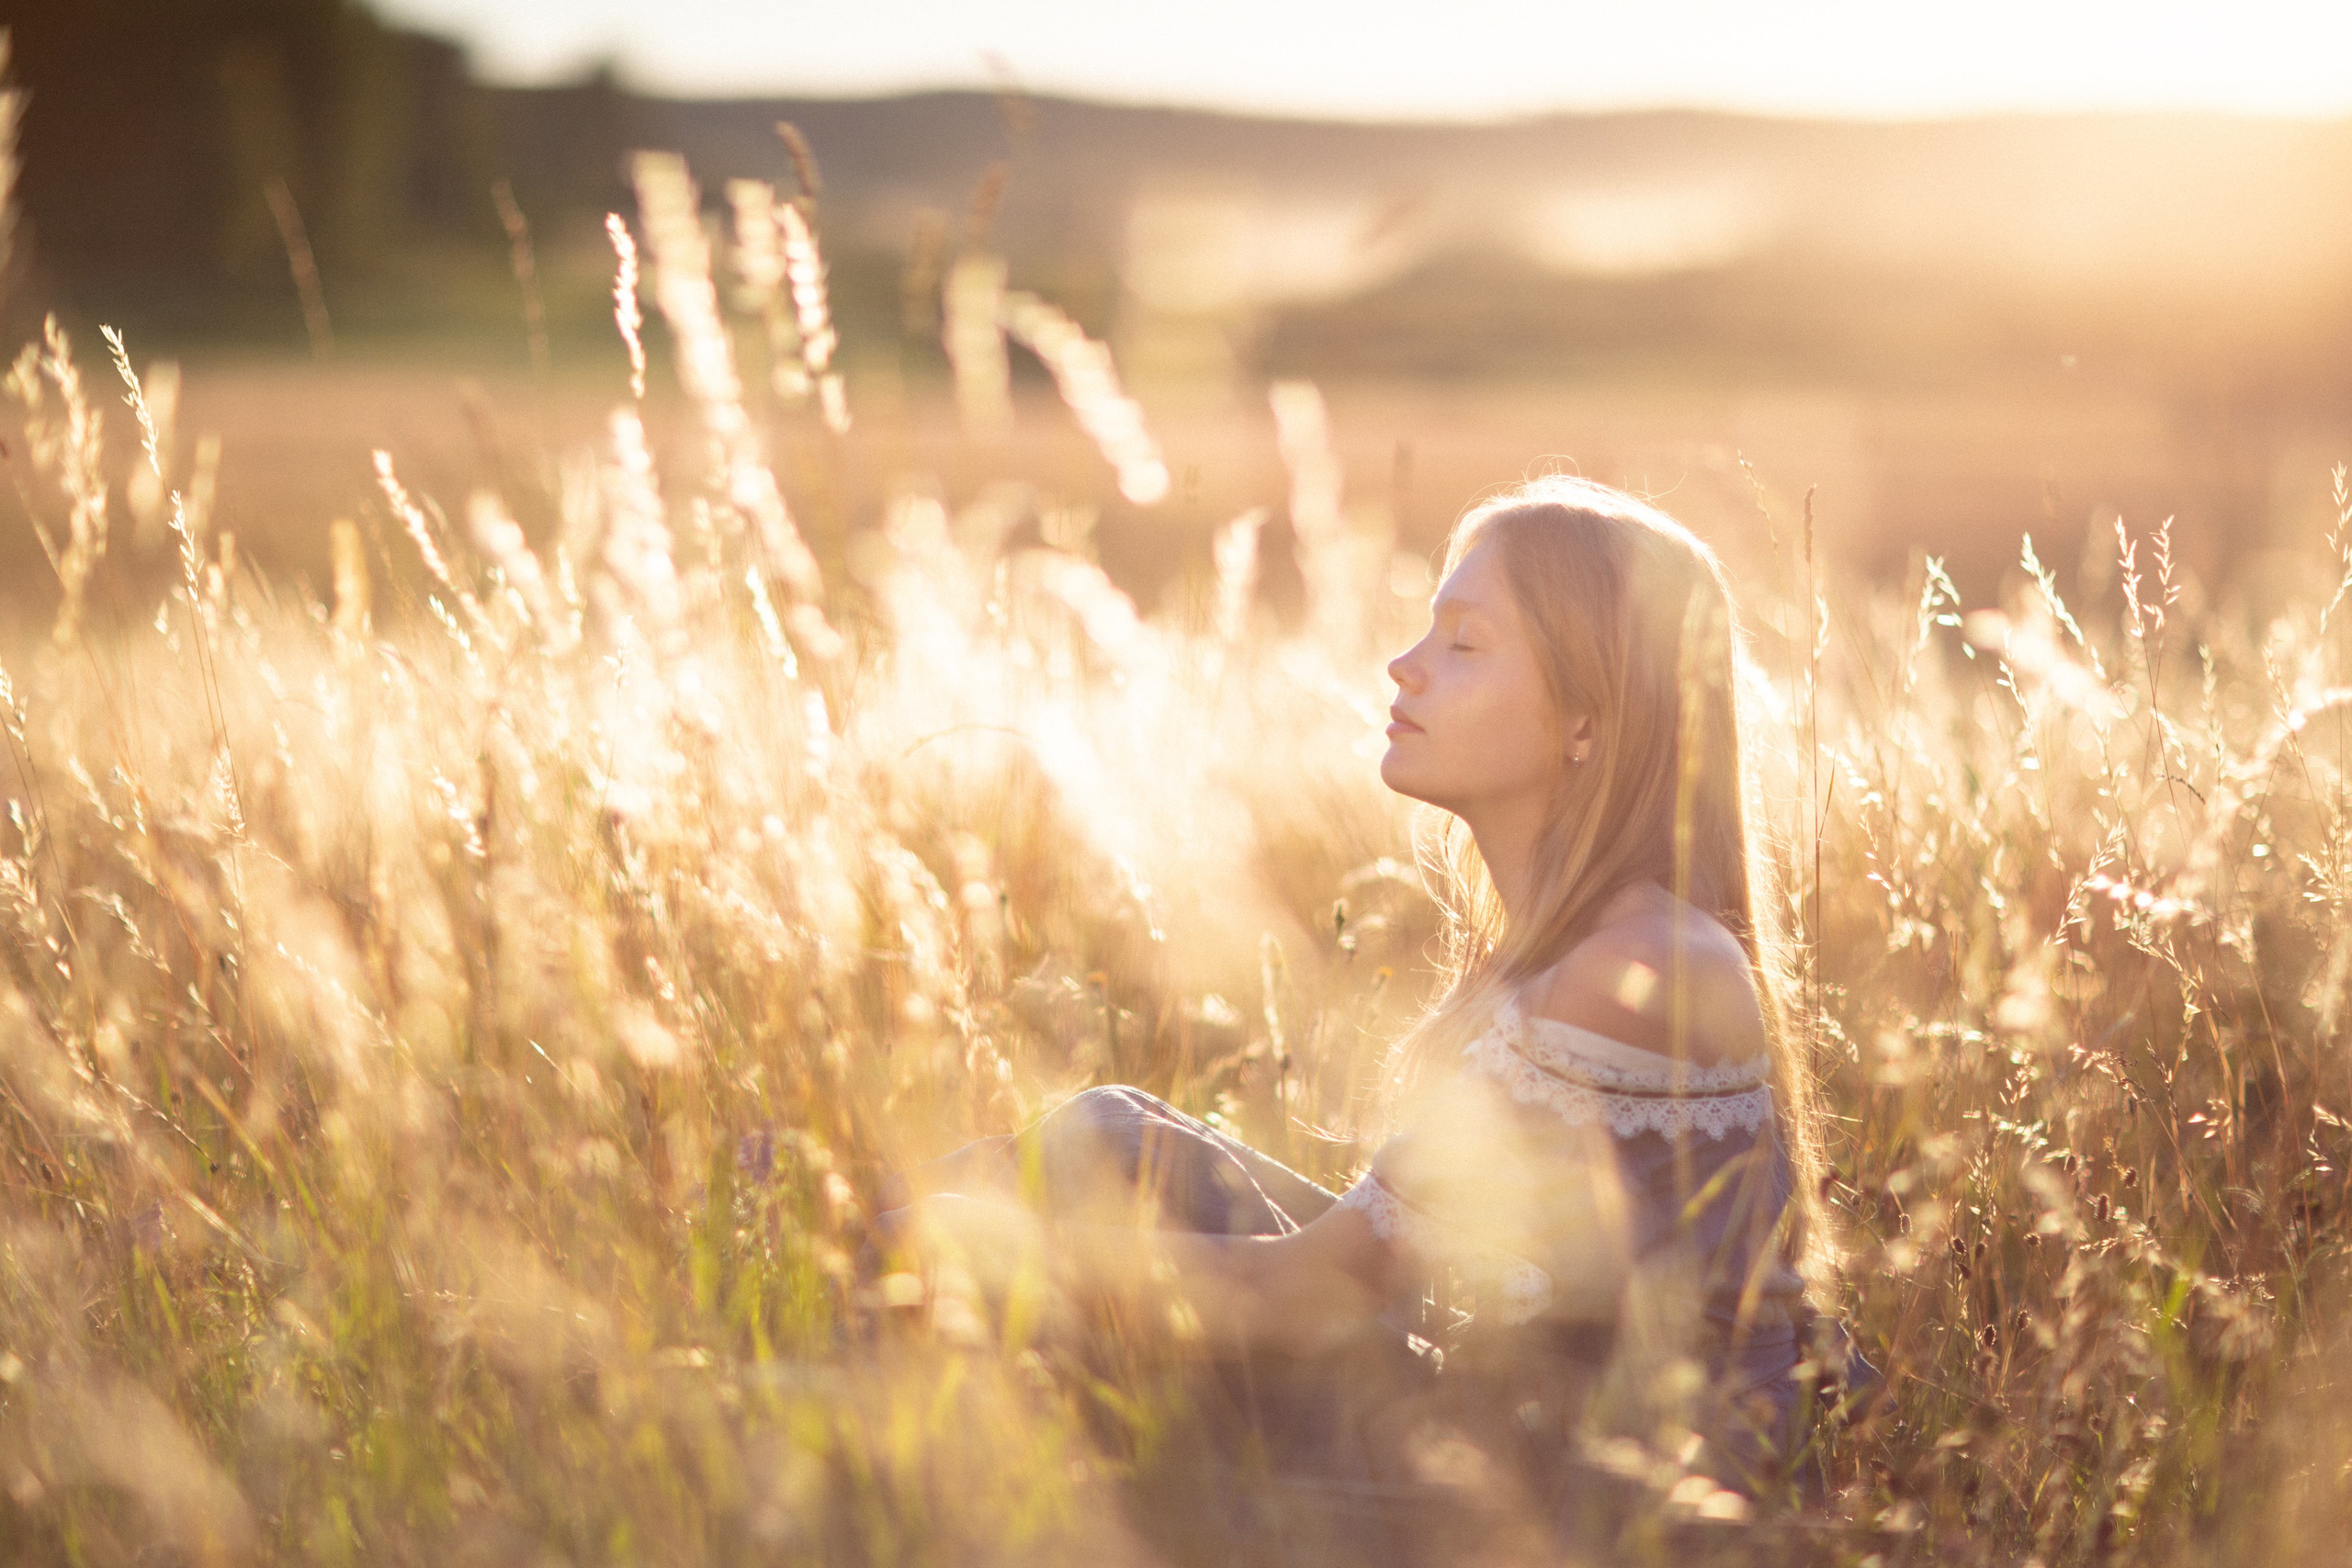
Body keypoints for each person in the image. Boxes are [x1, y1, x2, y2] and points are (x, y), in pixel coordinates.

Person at [879, 476, 1868, 1529]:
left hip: (1602, 1508)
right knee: (1115, 1133)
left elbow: (1306, 1296)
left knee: (1065, 1328)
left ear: (1589, 716)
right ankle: (846, 1238)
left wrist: (989, 1245)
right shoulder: (1579, 945)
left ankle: (854, 1330)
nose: (1403, 667)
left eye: (1464, 643)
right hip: (1510, 1420)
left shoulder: (1641, 968)